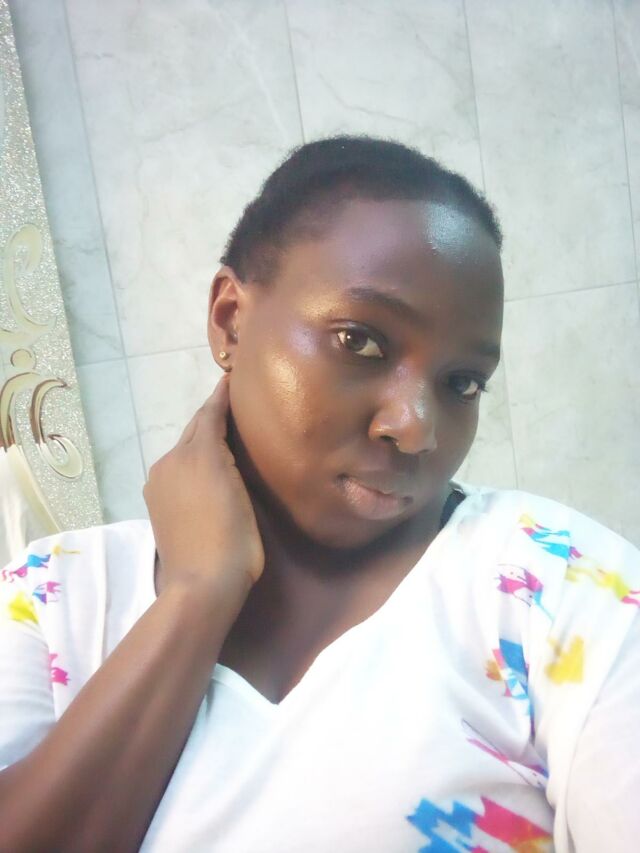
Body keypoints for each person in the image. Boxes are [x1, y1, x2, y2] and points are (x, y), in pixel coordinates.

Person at [0, 135, 638, 853]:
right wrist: (197, 595)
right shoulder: (54, 599)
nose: (416, 428)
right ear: (230, 319)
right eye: (360, 341)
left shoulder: (553, 587)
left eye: (461, 383)